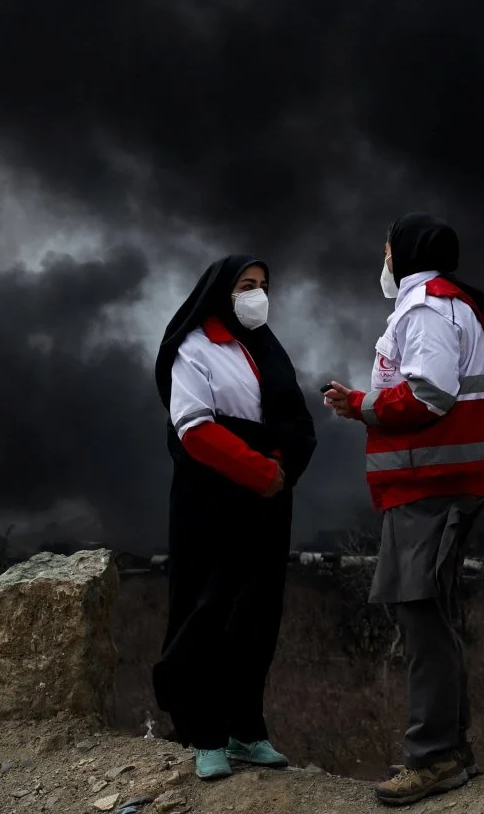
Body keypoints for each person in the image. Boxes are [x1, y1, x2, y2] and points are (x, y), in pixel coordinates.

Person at [321, 213, 484, 807]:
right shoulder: (447, 303)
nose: (382, 257)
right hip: (436, 486)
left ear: (404, 252)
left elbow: (429, 393)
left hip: (428, 490)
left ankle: (433, 759)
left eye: (385, 247)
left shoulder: (426, 306)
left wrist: (360, 404)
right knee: (433, 618)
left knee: (421, 619)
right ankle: (450, 751)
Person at [152, 254, 317, 781]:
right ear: (221, 291)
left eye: (264, 285)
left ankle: (247, 729)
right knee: (207, 611)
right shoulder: (192, 349)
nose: (257, 295)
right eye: (246, 285)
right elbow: (194, 427)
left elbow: (292, 419)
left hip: (268, 499)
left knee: (257, 614)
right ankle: (205, 736)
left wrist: (281, 465)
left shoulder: (266, 348)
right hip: (211, 501)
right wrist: (258, 470)